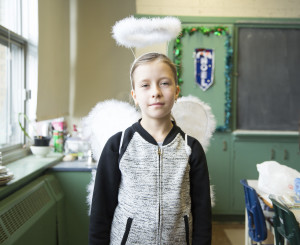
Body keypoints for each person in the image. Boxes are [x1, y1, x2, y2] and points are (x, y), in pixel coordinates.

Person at [89, 52, 212, 245]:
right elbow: (100, 211)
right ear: (135, 96)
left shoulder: (191, 149)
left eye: (164, 83)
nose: (156, 92)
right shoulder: (117, 146)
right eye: (145, 85)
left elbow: (202, 212)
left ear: (177, 91)